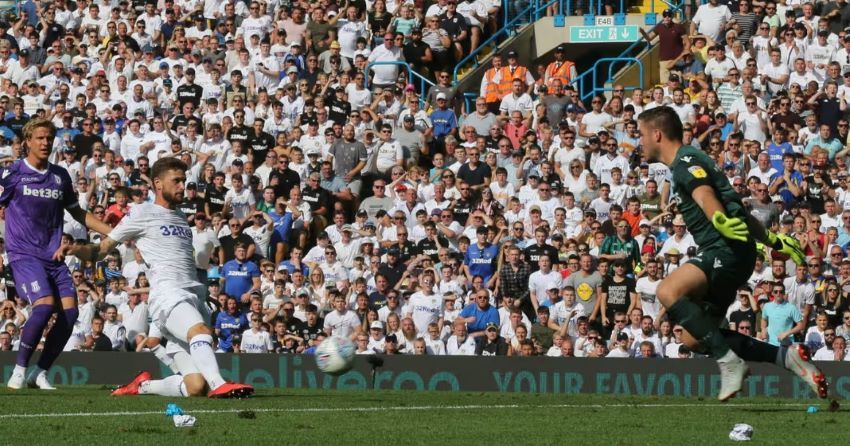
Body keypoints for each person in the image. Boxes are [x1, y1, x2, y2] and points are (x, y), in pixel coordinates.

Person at [638, 106, 826, 401]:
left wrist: (718, 220)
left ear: (656, 134)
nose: (640, 142)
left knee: (667, 291)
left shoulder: (685, 162)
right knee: (694, 337)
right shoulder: (694, 159)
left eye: (641, 135)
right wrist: (772, 240)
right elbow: (735, 204)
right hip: (736, 250)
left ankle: (729, 362)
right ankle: (786, 358)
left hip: (723, 249)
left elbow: (705, 196)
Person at [64, 158, 253, 398]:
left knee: (195, 387)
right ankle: (219, 384)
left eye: (184, 181)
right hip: (168, 294)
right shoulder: (142, 212)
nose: (182, 186)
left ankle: (142, 386)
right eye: (176, 181)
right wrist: (74, 250)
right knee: (200, 332)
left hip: (194, 295)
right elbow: (102, 249)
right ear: (157, 183)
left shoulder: (181, 218)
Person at [4, 118, 112, 390]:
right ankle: (19, 369)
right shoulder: (14, 173)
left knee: (70, 312)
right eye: (39, 138)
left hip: (53, 256)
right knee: (44, 305)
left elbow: (78, 212)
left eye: (48, 138)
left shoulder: (60, 175)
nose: (45, 143)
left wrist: (113, 232)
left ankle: (39, 372)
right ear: (27, 141)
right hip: (23, 254)